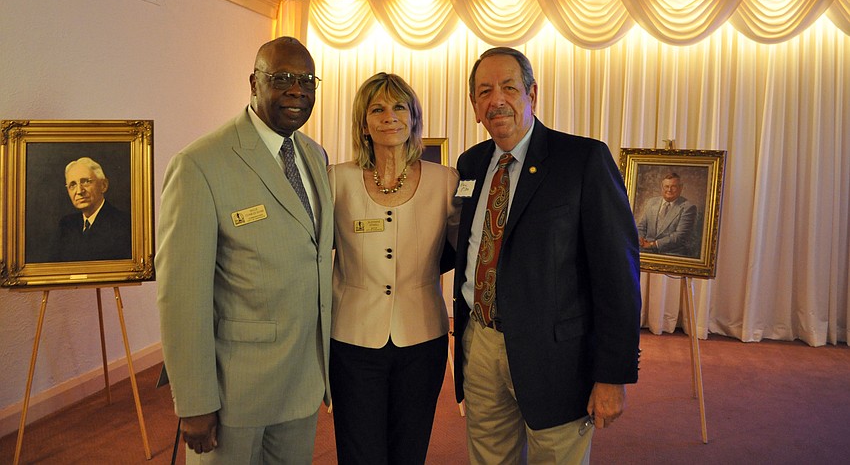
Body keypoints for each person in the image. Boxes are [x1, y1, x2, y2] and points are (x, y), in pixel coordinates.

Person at [453, 47, 642, 464]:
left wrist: (613, 375)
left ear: (532, 94)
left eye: (508, 87)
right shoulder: (470, 164)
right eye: (484, 91)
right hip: (480, 346)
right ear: (474, 106)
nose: (496, 99)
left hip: (556, 357)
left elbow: (617, 275)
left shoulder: (582, 160)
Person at [156, 36, 334, 464]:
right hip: (235, 393)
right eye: (282, 79)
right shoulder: (200, 164)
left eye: (307, 80)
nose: (297, 90)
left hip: (303, 381)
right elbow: (182, 296)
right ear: (253, 83)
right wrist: (195, 402)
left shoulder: (313, 154)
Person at [328, 72, 461, 464]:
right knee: (359, 449)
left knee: (410, 447)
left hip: (423, 337)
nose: (390, 117)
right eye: (378, 109)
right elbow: (314, 253)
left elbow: (460, 251)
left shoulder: (445, 181)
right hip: (353, 339)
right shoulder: (337, 179)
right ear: (363, 122)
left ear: (414, 117)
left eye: (399, 107)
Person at [56, 157, 131, 262]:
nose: (79, 191)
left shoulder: (125, 224)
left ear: (103, 186)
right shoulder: (66, 225)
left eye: (86, 182)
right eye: (72, 185)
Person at [637, 172, 698, 256]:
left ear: (680, 188)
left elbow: (680, 236)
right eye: (666, 186)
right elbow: (642, 226)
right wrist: (640, 238)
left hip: (671, 254)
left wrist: (653, 244)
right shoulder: (651, 202)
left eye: (673, 186)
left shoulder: (688, 208)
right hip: (646, 251)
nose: (669, 190)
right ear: (662, 188)